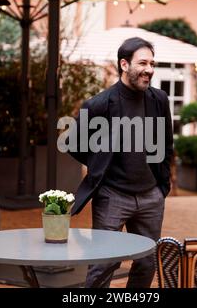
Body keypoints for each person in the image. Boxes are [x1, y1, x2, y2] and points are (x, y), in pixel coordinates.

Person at [68, 37, 174, 288]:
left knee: (147, 261)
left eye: (152, 63)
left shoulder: (159, 99)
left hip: (151, 196)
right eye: (143, 63)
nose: (149, 69)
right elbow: (74, 144)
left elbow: (167, 144)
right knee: (104, 263)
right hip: (112, 196)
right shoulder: (99, 104)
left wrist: (162, 188)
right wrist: (99, 163)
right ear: (124, 65)